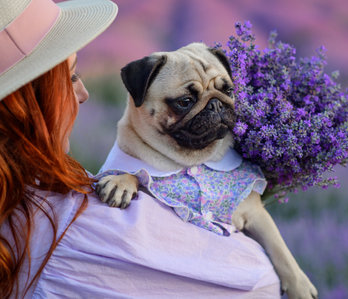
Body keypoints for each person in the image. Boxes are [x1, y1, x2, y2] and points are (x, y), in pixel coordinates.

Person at [0, 0, 280, 298]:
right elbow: (259, 281)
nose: (83, 93)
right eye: (71, 77)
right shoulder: (70, 231)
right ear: (23, 104)